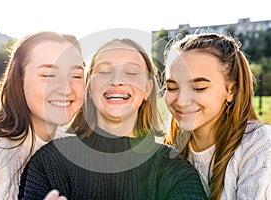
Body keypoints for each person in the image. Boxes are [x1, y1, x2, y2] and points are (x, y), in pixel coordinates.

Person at [18, 38, 207, 200]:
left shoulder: (173, 169)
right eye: (104, 71)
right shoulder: (50, 162)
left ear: (148, 89)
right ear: (89, 87)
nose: (116, 81)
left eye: (131, 72)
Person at [0, 31, 85, 199]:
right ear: (19, 80)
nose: (67, 89)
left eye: (76, 76)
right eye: (48, 75)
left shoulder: (70, 149)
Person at [163, 33, 271, 199]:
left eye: (198, 88)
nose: (182, 101)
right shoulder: (166, 150)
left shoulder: (260, 145)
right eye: (171, 88)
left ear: (231, 91)